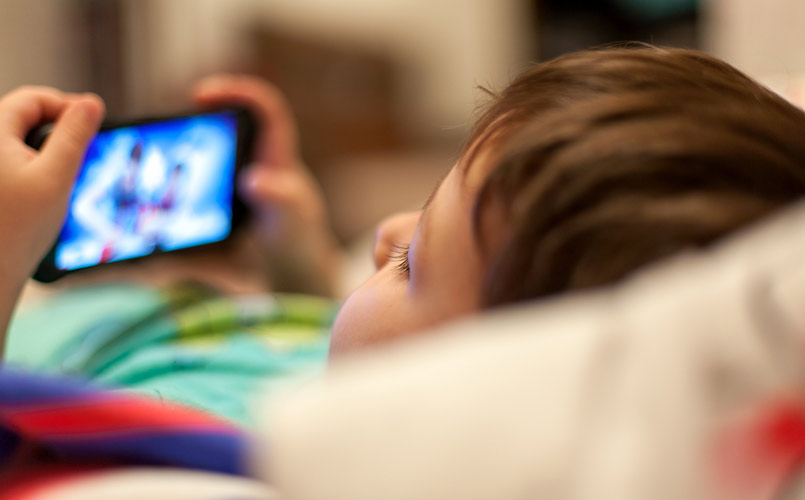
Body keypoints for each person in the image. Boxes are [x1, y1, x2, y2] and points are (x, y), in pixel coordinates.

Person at [3, 45, 805, 424]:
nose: (383, 233)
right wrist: (304, 263)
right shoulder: (372, 377)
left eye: (414, 261)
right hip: (232, 306)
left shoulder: (222, 445)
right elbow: (356, 344)